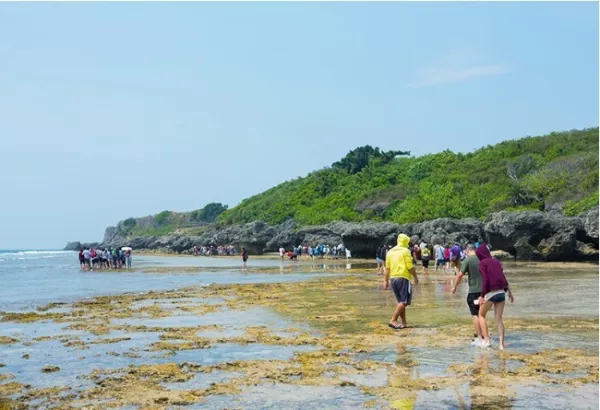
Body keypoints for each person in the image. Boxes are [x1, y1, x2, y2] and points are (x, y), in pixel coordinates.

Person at [475, 244, 514, 350]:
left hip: (492, 293)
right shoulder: (496, 261)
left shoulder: (482, 263)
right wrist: (510, 292)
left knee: (481, 315)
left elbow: (485, 280)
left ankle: (486, 340)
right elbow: (503, 277)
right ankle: (501, 345)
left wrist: (482, 296)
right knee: (499, 319)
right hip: (502, 293)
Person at [384, 233, 419, 330]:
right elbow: (410, 266)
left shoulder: (390, 252)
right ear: (406, 241)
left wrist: (385, 281)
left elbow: (387, 268)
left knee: (400, 301)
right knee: (404, 301)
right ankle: (393, 319)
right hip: (403, 277)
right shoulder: (405, 251)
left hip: (393, 278)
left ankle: (404, 322)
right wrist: (416, 277)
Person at [451, 244, 484, 346]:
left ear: (468, 250)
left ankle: (479, 337)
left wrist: (455, 286)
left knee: (474, 314)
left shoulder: (468, 260)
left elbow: (460, 274)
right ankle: (483, 333)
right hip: (484, 291)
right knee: (481, 314)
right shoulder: (482, 258)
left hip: (473, 291)